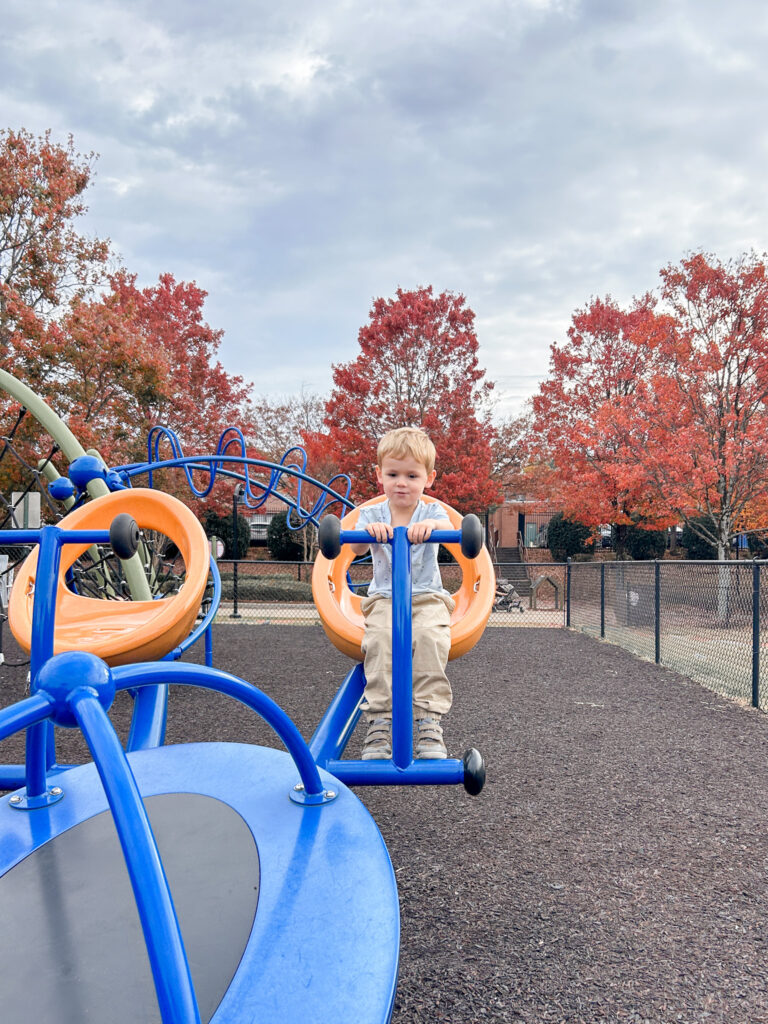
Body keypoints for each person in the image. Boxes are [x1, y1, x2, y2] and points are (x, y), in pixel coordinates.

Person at [350, 427, 456, 760]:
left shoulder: (430, 513)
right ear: (378, 474)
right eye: (393, 473)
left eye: (412, 475)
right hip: (384, 599)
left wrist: (432, 530)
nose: (401, 482)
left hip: (427, 598)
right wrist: (367, 534)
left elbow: (449, 524)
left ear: (429, 478)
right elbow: (351, 546)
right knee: (379, 641)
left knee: (430, 638)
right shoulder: (371, 514)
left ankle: (428, 722)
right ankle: (379, 723)